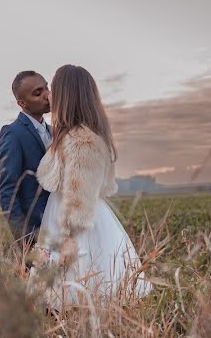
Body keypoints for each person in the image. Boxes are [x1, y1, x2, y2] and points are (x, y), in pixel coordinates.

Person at [31, 64, 152, 309]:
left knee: (78, 292)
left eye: (53, 89)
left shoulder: (81, 140)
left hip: (76, 225)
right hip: (66, 218)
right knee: (71, 297)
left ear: (66, 95)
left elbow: (79, 196)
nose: (48, 95)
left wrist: (67, 240)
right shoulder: (73, 135)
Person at [0, 71, 52, 250]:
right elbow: (7, 191)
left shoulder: (55, 131)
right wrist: (26, 241)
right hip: (36, 233)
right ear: (22, 103)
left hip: (59, 230)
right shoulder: (13, 133)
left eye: (46, 87)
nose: (47, 95)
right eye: (37, 93)